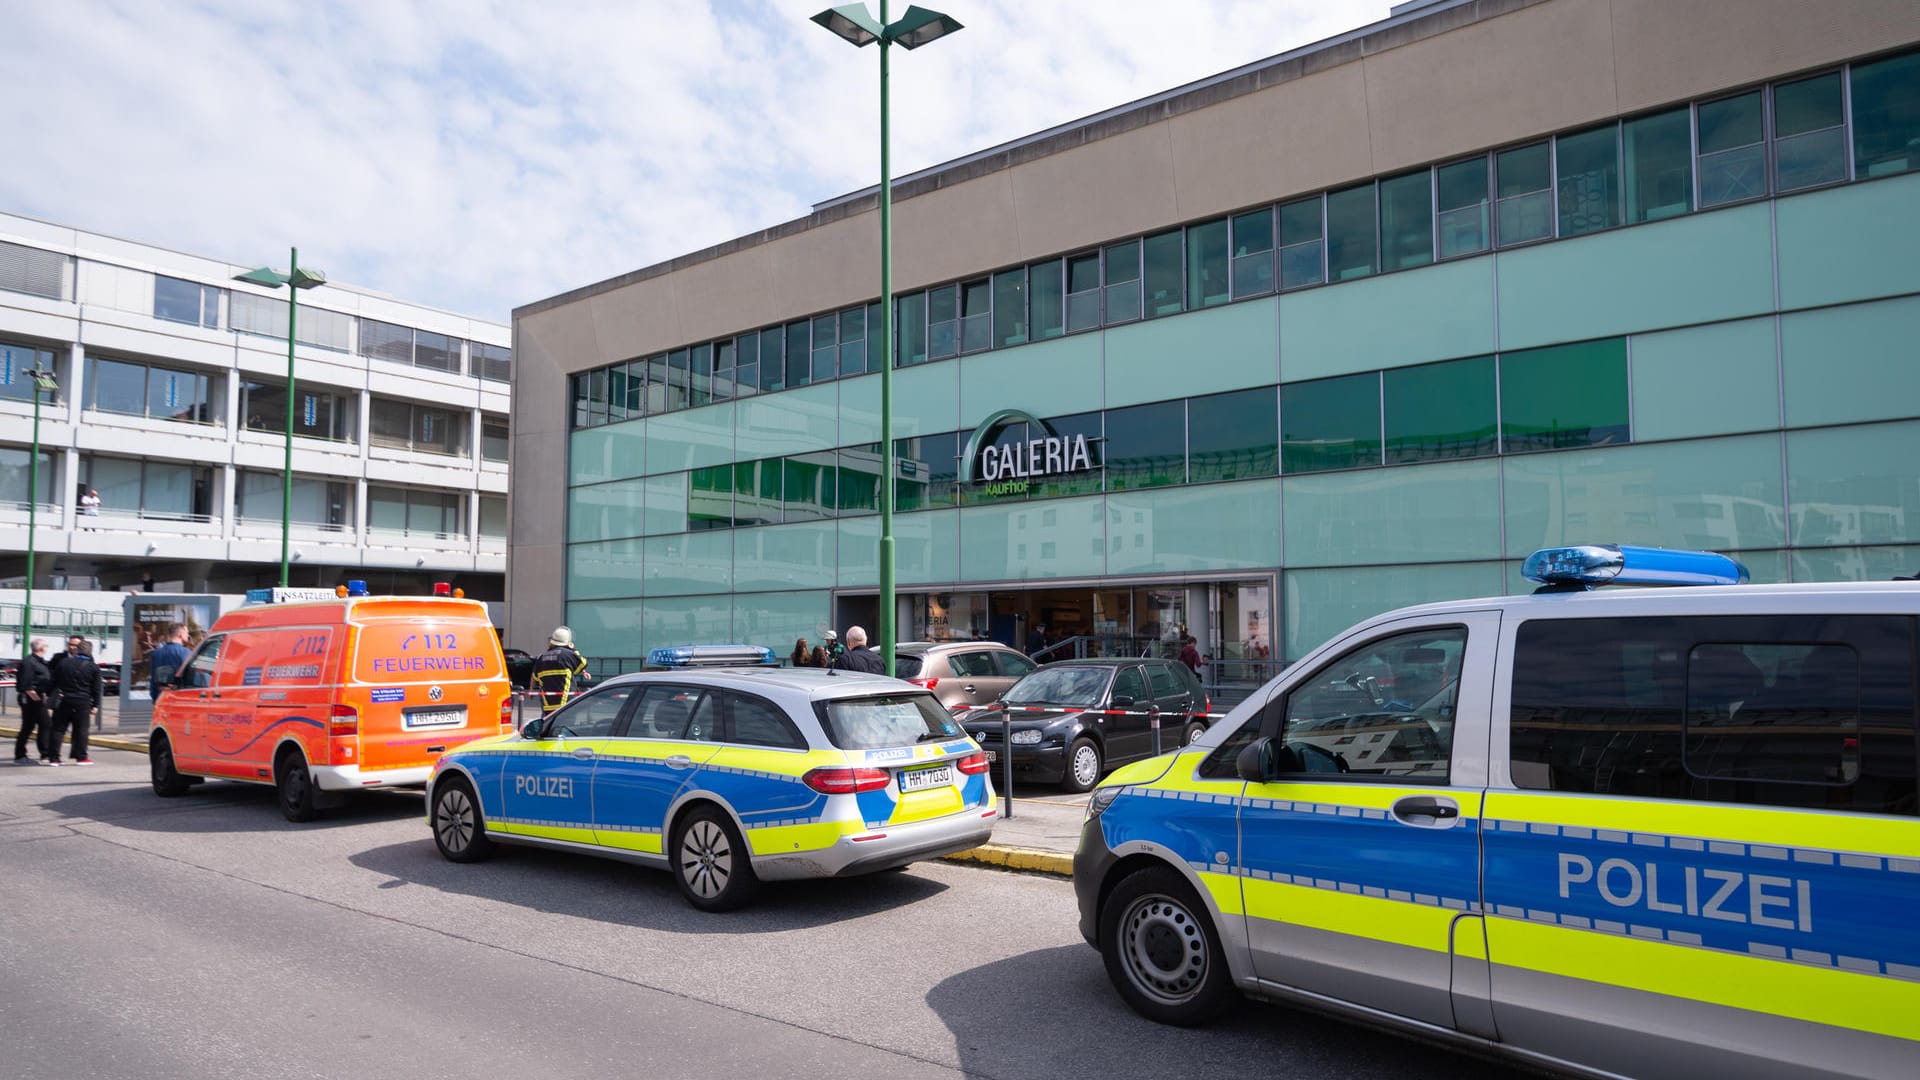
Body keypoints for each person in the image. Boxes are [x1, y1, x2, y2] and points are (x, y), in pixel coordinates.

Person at [44, 635, 103, 765]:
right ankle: (81, 757)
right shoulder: (93, 667)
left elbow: (53, 681)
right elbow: (97, 688)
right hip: (83, 701)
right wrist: (96, 704)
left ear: (78, 650)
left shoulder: (63, 663)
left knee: (58, 729)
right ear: (89, 652)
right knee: (81, 729)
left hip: (63, 699)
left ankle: (54, 758)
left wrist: (47, 694)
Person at [532, 625, 590, 715]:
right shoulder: (567, 654)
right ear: (567, 642)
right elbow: (583, 663)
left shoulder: (542, 657)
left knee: (549, 726)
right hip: (566, 704)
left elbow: (535, 677)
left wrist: (531, 691)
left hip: (547, 706)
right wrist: (573, 650)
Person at [13, 639, 53, 763]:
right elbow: (25, 684)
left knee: (38, 725)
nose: (47, 648)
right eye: (46, 645)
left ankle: (43, 753)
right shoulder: (29, 662)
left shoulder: (40, 662)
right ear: (41, 648)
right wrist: (37, 699)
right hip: (31, 698)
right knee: (37, 725)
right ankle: (23, 755)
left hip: (38, 697)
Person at [148, 622, 191, 700]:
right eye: (187, 633)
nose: (188, 635)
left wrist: (156, 699)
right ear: (180, 634)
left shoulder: (156, 654)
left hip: (161, 699)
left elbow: (153, 680)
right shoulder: (185, 653)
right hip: (178, 700)